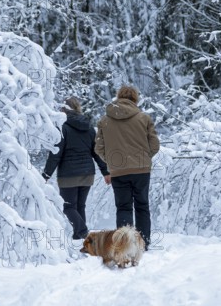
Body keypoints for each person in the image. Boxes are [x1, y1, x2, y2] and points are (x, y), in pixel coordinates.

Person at [95, 85, 160, 250]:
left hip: (118, 170)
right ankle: (143, 243)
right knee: (142, 206)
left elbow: (98, 147)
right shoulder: (144, 118)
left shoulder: (104, 120)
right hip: (141, 169)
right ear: (135, 99)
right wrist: (144, 158)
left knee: (123, 207)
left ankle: (125, 245)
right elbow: (154, 144)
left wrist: (111, 162)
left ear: (118, 97)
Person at [43, 97, 109, 240]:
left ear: (63, 110)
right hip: (87, 174)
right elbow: (96, 152)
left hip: (69, 175)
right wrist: (105, 172)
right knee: (79, 206)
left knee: (68, 207)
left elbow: (55, 154)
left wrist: (45, 175)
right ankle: (80, 238)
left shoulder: (61, 128)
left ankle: (83, 232)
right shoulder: (89, 127)